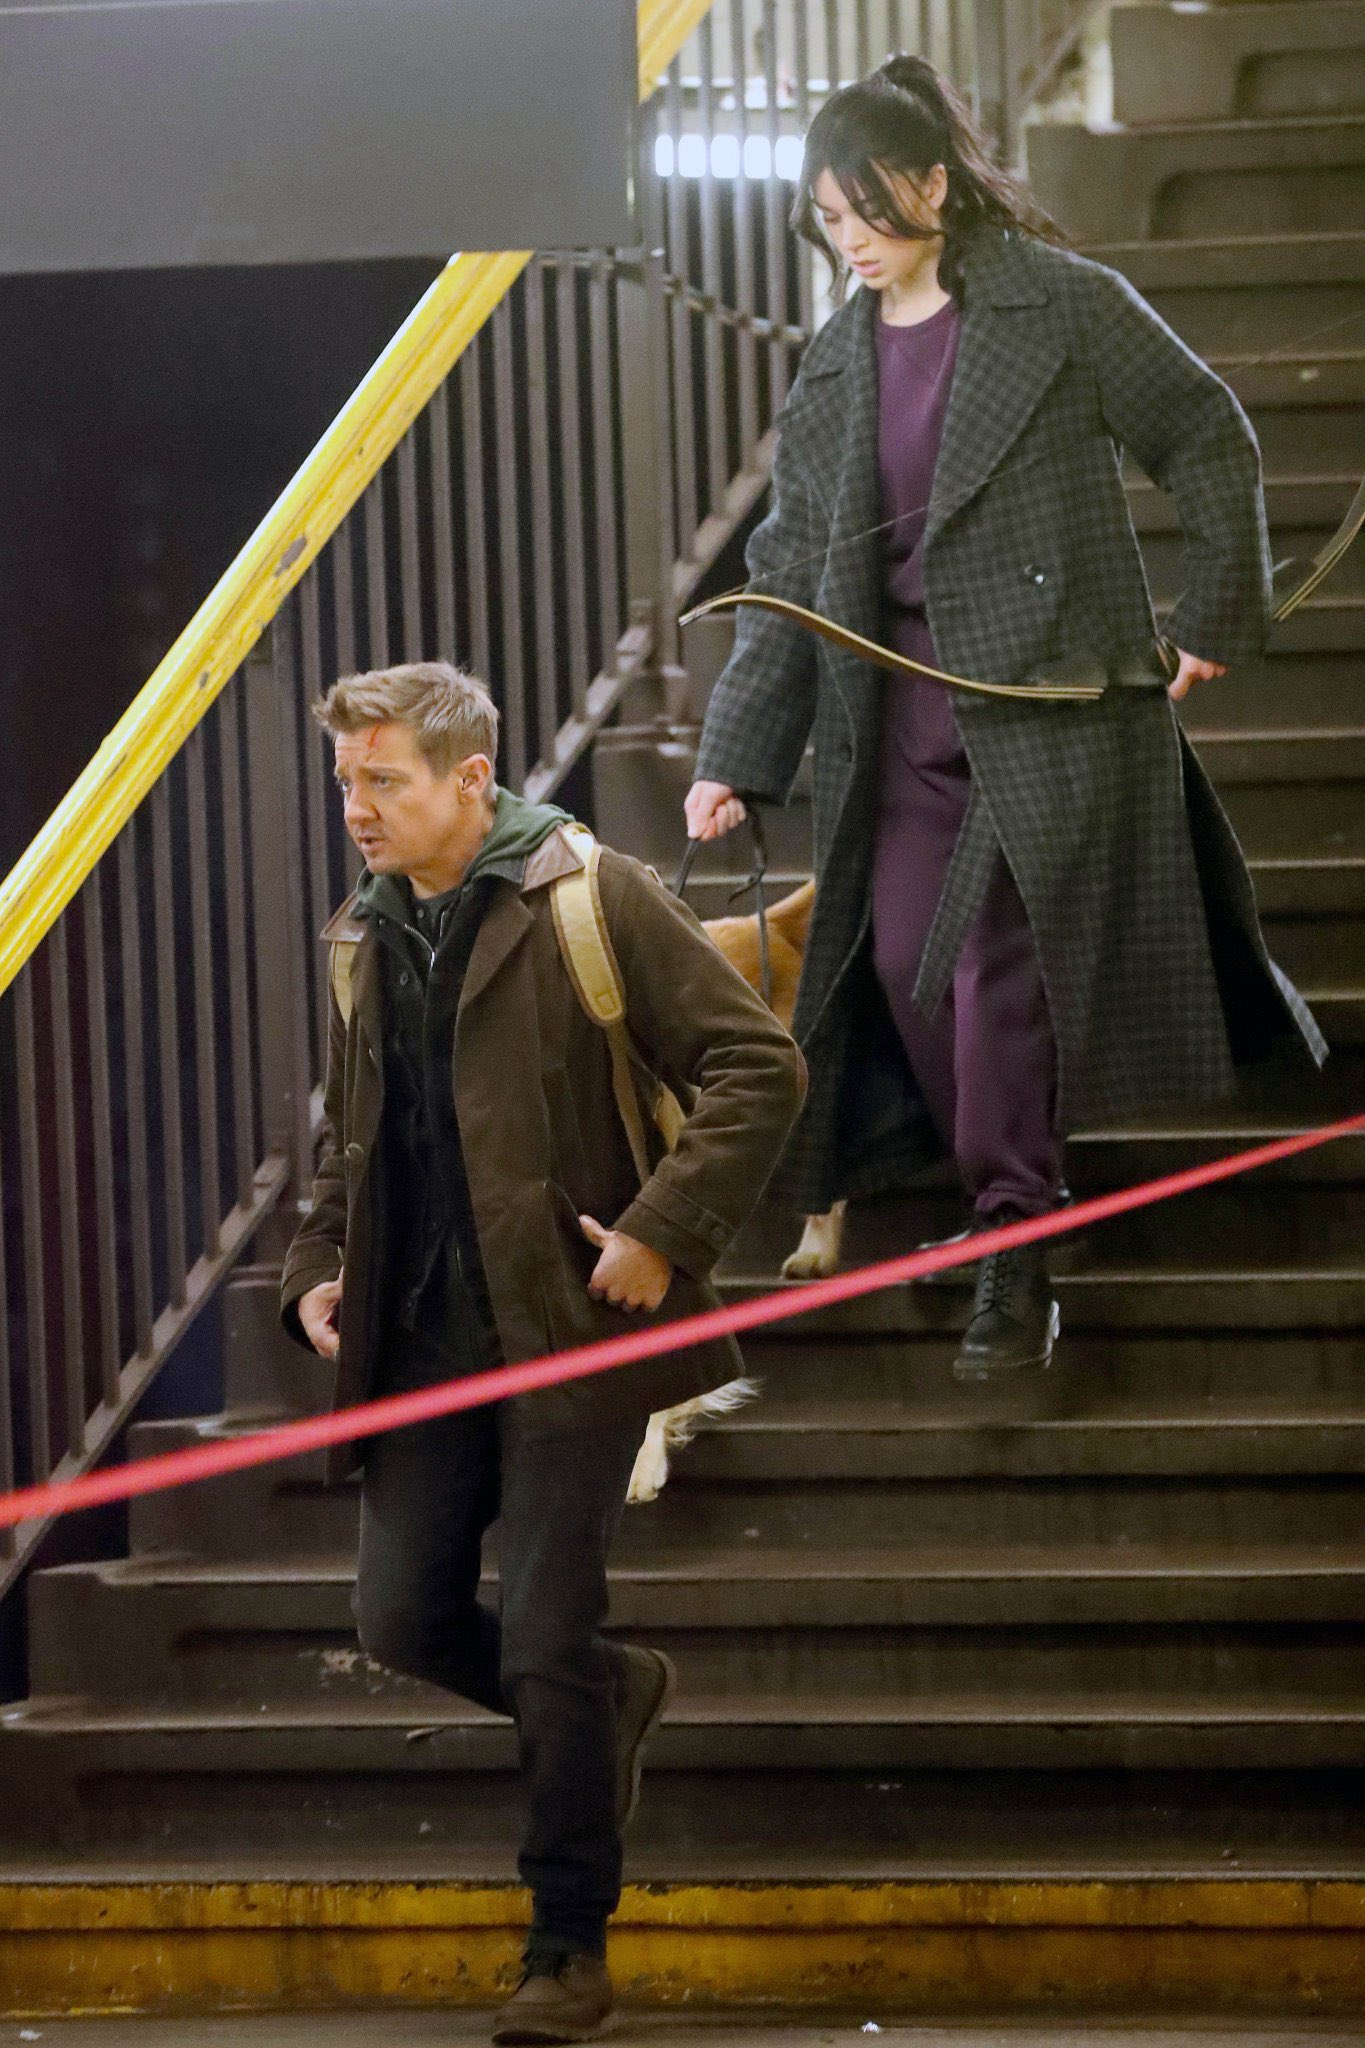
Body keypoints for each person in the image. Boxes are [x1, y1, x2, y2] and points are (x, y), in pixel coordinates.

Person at [685, 54, 1325, 1381]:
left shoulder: (1061, 303)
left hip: (1049, 705)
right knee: (905, 967)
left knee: (990, 958)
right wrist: (733, 754)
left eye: (869, 209)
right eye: (829, 218)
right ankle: (1005, 1206)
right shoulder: (832, 367)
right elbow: (789, 562)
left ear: (935, 182)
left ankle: (1013, 1240)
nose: (851, 240)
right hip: (896, 717)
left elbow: (1204, 433)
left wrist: (1214, 613)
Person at [281, 661, 804, 2044]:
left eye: (381, 781)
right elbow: (352, 1142)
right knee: (401, 1620)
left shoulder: (592, 892)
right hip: (422, 1338)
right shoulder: (363, 931)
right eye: (345, 783)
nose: (356, 808)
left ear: (471, 779)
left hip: (569, 1331)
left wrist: (661, 1230)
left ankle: (566, 1944)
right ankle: (610, 1699)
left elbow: (759, 1067)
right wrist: (315, 1271)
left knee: (545, 1631)